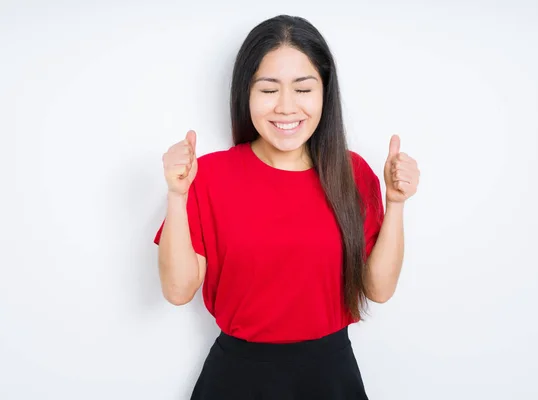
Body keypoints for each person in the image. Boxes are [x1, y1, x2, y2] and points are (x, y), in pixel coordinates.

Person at [154, 14, 420, 400]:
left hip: (331, 378)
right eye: (268, 90)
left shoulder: (353, 173)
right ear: (246, 93)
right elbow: (178, 291)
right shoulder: (207, 176)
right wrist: (176, 196)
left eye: (303, 89)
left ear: (325, 92)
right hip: (236, 380)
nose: (286, 107)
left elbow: (378, 290)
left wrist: (395, 204)